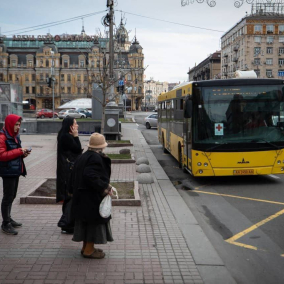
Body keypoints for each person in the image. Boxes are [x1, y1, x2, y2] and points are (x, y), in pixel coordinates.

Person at [71, 133, 114, 259]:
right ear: (101, 147)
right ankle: (89, 251)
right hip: (90, 198)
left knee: (86, 223)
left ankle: (86, 248)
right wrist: (105, 187)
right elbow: (90, 176)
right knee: (92, 224)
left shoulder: (84, 156)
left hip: (81, 197)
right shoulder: (95, 158)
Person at [0, 114, 30, 235]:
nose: (17, 127)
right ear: (9, 124)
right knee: (7, 197)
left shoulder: (14, 136)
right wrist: (19, 151)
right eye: (16, 125)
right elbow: (2, 155)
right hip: (7, 171)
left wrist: (23, 154)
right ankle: (5, 223)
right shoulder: (2, 137)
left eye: (19, 125)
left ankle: (8, 218)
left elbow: (14, 153)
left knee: (12, 196)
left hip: (15, 170)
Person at [56, 117, 82, 234]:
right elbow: (78, 150)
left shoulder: (64, 135)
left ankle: (67, 223)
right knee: (69, 197)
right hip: (68, 170)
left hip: (66, 169)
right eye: (75, 124)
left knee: (68, 197)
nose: (77, 126)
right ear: (70, 126)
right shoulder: (66, 137)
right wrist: (76, 136)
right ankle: (66, 223)